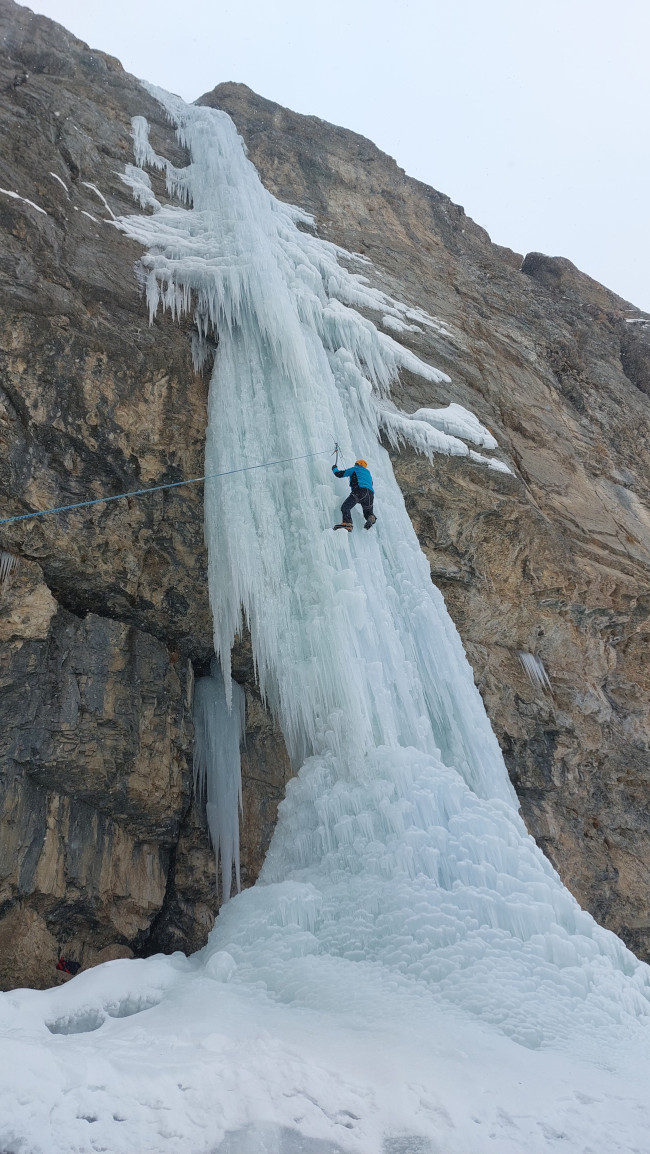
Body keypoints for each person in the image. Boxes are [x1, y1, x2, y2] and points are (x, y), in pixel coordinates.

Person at [332, 458, 377, 531]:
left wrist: (334, 468)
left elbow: (339, 474)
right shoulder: (368, 473)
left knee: (345, 507)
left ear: (357, 464)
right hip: (370, 495)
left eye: (355, 464)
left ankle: (347, 523)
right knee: (368, 514)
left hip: (360, 491)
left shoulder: (356, 469)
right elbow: (371, 484)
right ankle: (371, 518)